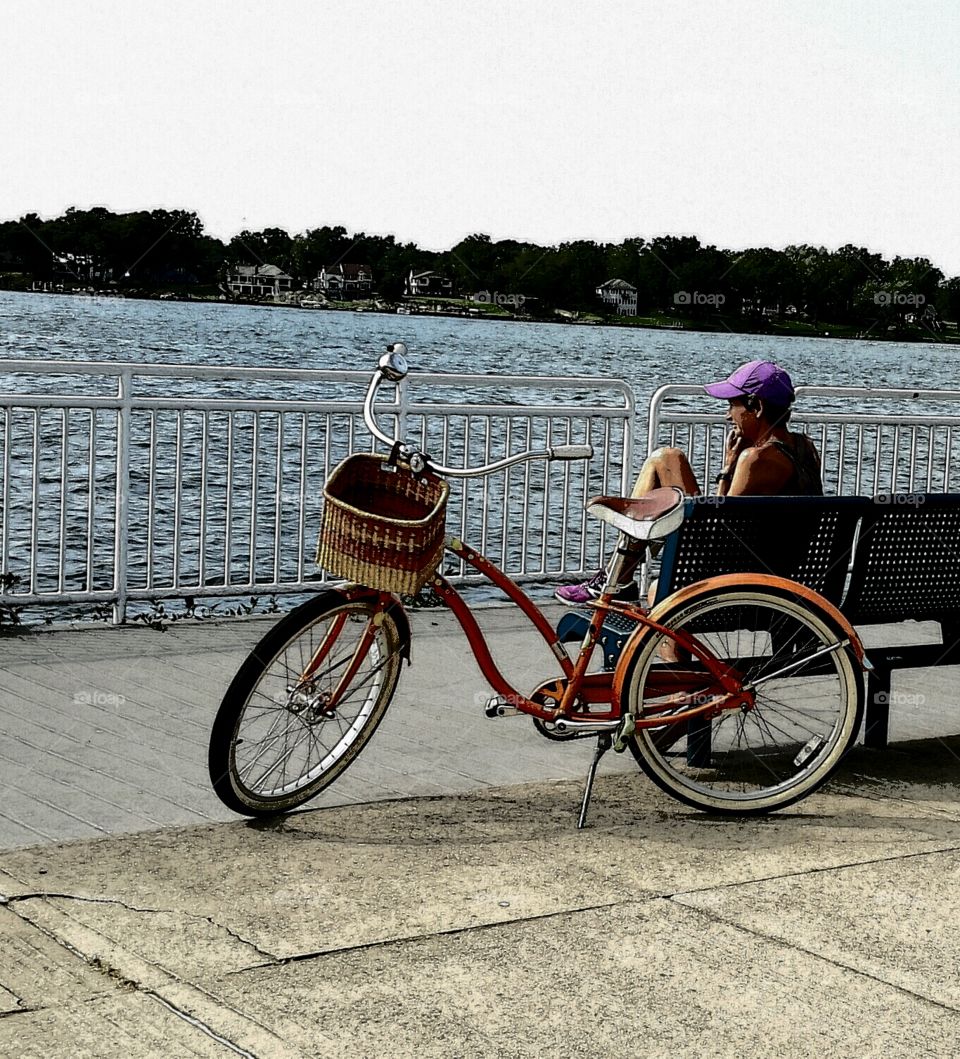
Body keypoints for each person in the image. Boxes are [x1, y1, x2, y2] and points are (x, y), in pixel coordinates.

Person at [555, 359, 823, 605]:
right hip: (790, 571)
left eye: (733, 405)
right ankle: (618, 579)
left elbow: (722, 523)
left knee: (658, 592)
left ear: (757, 407)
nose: (728, 416)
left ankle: (617, 579)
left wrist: (728, 467)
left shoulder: (756, 459)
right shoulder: (805, 448)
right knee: (667, 458)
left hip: (741, 578)